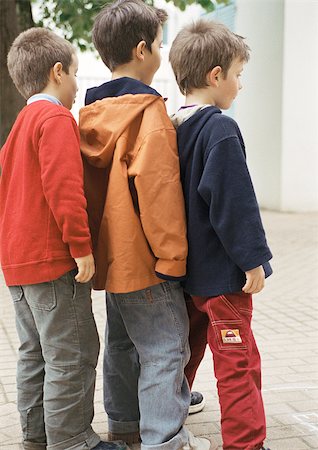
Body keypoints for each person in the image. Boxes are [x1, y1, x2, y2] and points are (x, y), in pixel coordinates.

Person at [79, 1, 215, 450]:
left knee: (121, 345)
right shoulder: (148, 114)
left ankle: (125, 429)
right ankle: (165, 440)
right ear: (143, 50)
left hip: (112, 260)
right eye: (159, 43)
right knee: (165, 350)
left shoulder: (90, 115)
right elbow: (159, 193)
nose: (161, 51)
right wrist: (174, 258)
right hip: (147, 261)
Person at [0, 27, 128, 450]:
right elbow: (64, 187)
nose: (77, 85)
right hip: (53, 259)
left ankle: (37, 437)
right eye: (75, 74)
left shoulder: (20, 124)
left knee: (35, 353)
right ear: (57, 72)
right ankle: (72, 440)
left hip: (18, 265)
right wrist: (81, 247)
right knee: (71, 352)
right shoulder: (55, 118)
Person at [169, 20, 273, 450]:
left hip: (186, 272)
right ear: (216, 77)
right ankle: (246, 442)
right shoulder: (220, 129)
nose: (240, 85)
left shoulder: (170, 126)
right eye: (238, 74)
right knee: (237, 360)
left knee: (185, 352)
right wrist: (253, 260)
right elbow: (233, 202)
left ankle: (164, 417)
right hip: (223, 277)